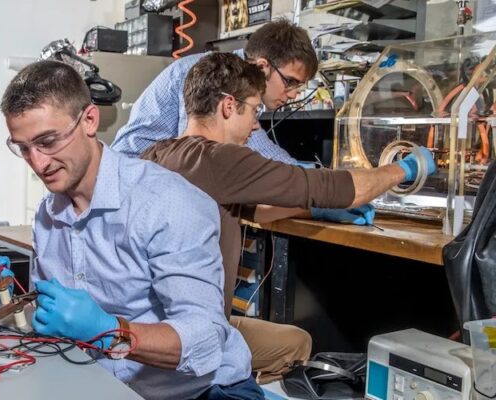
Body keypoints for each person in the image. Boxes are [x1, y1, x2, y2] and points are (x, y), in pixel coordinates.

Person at [140, 53, 437, 382]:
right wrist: (405, 169)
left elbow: (256, 208)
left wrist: (314, 209)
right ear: (227, 106)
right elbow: (324, 185)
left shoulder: (159, 152)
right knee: (296, 346)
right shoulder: (220, 158)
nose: (255, 125)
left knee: (294, 339)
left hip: (155, 326)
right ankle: (218, 385)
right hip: (195, 336)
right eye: (253, 111)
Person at [0, 59, 264, 400]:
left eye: (48, 141)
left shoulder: (167, 202)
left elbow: (204, 341)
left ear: (89, 120)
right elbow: (58, 322)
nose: (38, 163)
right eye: (23, 148)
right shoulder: (49, 215)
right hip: (108, 387)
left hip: (203, 390)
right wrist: (9, 304)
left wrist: (109, 332)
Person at [111, 19, 316, 162]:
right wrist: (307, 179)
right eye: (290, 81)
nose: (293, 94)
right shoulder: (216, 75)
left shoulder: (241, 84)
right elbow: (203, 156)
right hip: (134, 185)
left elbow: (257, 145)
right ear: (263, 67)